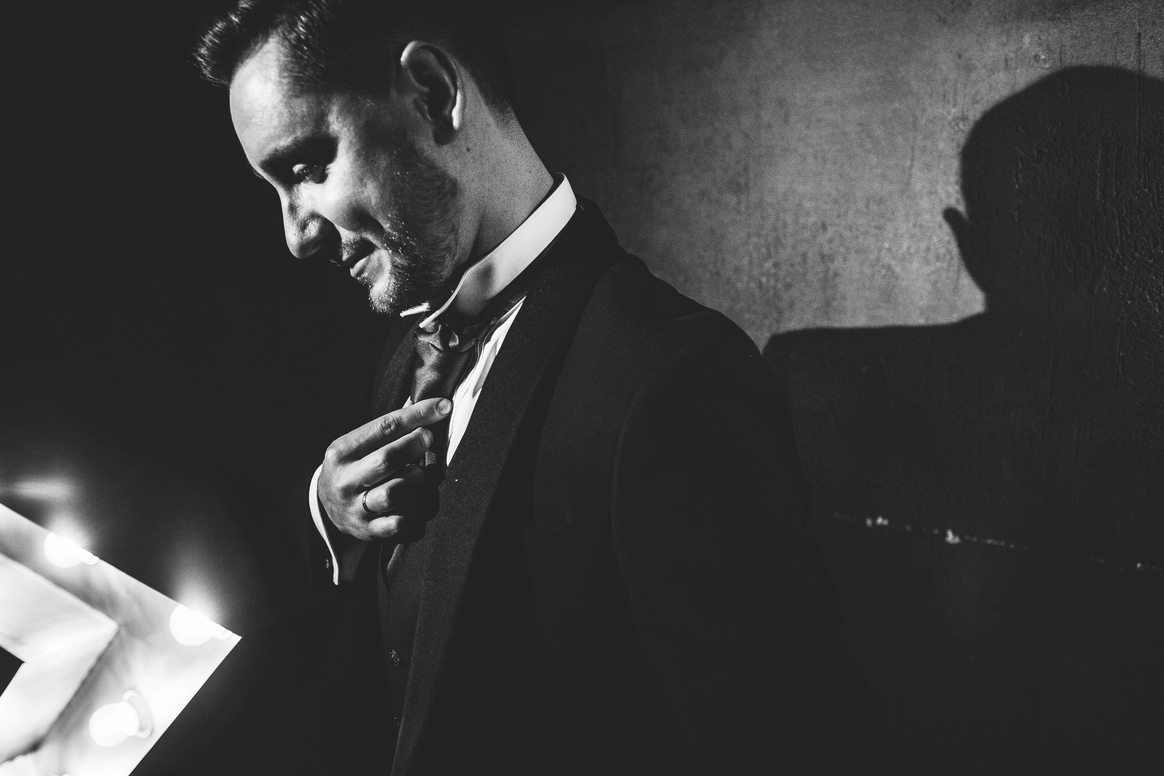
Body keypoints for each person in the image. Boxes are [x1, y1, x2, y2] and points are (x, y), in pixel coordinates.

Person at [196, 1, 888, 773]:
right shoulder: (406, 336)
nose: (295, 236)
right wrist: (332, 511)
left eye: (305, 169)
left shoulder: (673, 381)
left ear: (432, 93)